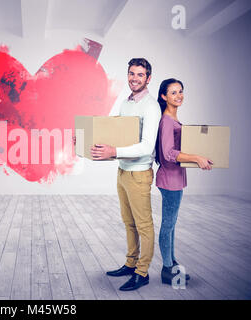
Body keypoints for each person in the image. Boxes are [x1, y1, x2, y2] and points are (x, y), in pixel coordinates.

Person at [91, 58, 161, 291]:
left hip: (139, 174)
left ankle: (142, 272)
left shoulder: (151, 106)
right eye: (132, 73)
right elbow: (113, 132)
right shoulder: (127, 102)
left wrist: (114, 151)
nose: (134, 78)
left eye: (140, 75)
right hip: (123, 171)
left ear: (148, 78)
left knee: (143, 225)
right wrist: (84, 140)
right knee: (128, 222)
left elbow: (146, 146)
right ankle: (131, 264)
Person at [155, 78, 213, 285]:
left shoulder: (174, 120)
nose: (178, 95)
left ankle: (171, 262)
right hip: (169, 179)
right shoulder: (167, 121)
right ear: (164, 96)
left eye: (181, 91)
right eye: (173, 92)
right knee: (168, 225)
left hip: (176, 179)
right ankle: (167, 269)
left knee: (171, 224)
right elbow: (169, 153)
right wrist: (196, 158)